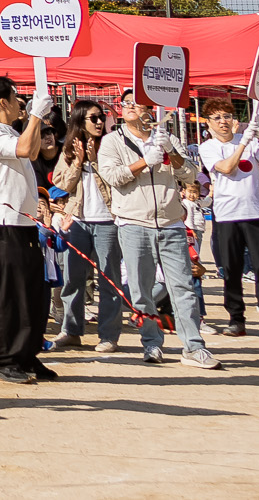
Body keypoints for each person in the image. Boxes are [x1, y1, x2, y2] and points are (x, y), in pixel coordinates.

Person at [100, 91, 218, 369]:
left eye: (135, 103)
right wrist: (145, 161)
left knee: (183, 287)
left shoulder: (168, 138)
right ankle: (151, 343)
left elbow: (191, 175)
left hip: (171, 222)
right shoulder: (111, 141)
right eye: (125, 103)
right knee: (142, 289)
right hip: (133, 223)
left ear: (148, 108)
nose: (129, 107)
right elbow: (113, 177)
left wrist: (171, 154)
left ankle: (193, 346)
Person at [0, 74, 53, 385]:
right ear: (3, 102)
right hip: (4, 224)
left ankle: (27, 355)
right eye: (16, 96)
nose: (21, 101)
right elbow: (23, 149)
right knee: (11, 294)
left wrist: (35, 118)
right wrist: (35, 114)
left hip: (24, 223)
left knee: (33, 293)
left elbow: (32, 151)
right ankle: (4, 359)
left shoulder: (7, 128)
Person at [195, 96, 259, 340]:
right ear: (208, 122)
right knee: (231, 270)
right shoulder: (208, 147)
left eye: (227, 116)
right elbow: (226, 168)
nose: (223, 122)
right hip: (227, 216)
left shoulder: (249, 141)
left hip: (257, 213)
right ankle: (236, 319)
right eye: (217, 118)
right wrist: (242, 144)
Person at [48, 99, 120, 351]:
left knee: (109, 279)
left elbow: (119, 181)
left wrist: (96, 161)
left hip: (108, 221)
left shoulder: (112, 146)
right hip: (76, 220)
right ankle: (71, 330)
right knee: (73, 278)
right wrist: (79, 162)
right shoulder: (68, 150)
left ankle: (109, 335)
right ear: (80, 121)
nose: (100, 122)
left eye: (101, 117)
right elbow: (62, 185)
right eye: (94, 118)